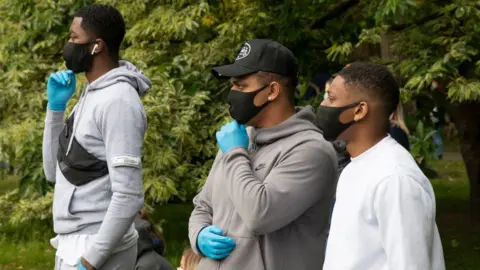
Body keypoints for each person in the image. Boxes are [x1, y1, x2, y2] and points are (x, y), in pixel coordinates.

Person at [188, 39, 338, 270]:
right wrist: (199, 234)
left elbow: (260, 214)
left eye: (241, 85)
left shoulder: (311, 150)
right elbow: (203, 205)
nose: (232, 93)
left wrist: (236, 154)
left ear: (272, 91)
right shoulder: (238, 138)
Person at [42, 4, 151, 270]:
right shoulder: (92, 94)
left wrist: (90, 261)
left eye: (74, 37)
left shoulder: (118, 102)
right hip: (72, 245)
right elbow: (53, 172)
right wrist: (55, 108)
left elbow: (129, 195)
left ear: (97, 46)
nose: (69, 44)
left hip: (96, 248)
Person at [317, 62, 445, 270]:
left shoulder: (395, 179)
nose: (323, 106)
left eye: (331, 99)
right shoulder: (355, 166)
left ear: (359, 110)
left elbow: (410, 265)